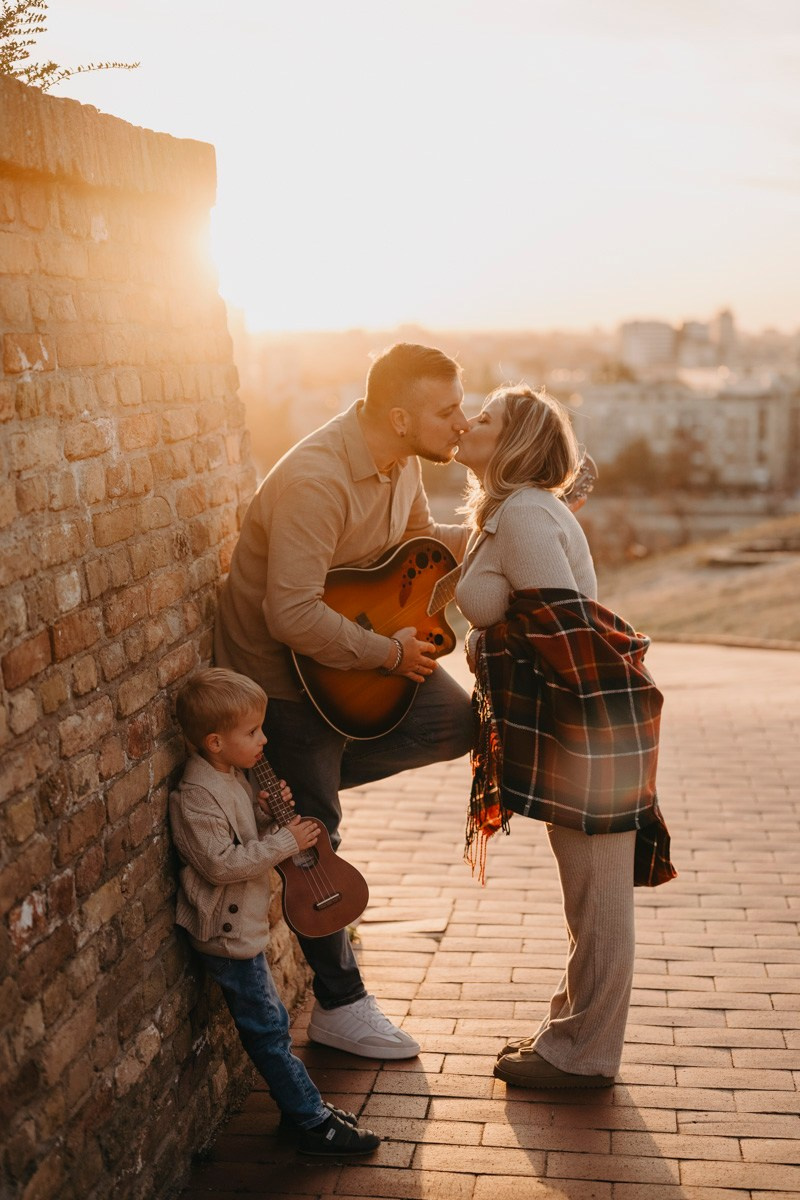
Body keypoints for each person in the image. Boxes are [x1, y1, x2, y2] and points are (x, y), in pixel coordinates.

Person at [214, 343, 474, 1059]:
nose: (462, 421)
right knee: (315, 836)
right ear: (400, 418)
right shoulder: (317, 480)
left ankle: (281, 793)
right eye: (448, 410)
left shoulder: (402, 461)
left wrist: (498, 531)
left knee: (456, 722)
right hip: (283, 678)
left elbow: (417, 546)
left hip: (350, 662)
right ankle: (340, 1005)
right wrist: (388, 654)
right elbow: (291, 614)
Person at [454, 384, 676, 1090]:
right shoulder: (514, 511)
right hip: (576, 727)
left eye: (484, 418)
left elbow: (559, 632)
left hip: (586, 731)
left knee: (599, 904)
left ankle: (585, 1058)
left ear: (514, 442)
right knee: (588, 897)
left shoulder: (523, 514)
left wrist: (478, 645)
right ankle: (568, 1034)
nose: (468, 422)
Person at [168, 667, 381, 1156]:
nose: (264, 739)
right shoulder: (195, 796)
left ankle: (297, 1106)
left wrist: (267, 815)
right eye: (253, 732)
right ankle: (311, 1121)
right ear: (216, 742)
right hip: (225, 934)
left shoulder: (232, 775)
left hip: (245, 925)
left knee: (272, 1024)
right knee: (268, 1030)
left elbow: (247, 839)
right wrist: (285, 839)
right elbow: (221, 864)